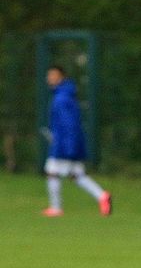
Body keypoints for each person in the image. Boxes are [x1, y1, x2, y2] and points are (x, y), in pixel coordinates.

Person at [41, 66, 111, 217]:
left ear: (62, 77)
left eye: (53, 75)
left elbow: (69, 124)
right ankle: (102, 196)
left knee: (52, 172)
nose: (49, 78)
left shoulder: (61, 98)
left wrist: (69, 146)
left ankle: (56, 207)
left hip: (64, 144)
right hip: (69, 142)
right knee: (76, 175)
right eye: (49, 75)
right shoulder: (64, 94)